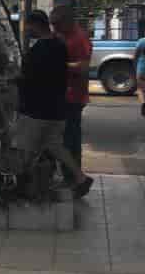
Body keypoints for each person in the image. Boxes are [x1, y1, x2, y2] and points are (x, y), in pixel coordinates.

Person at [15, 10, 94, 198]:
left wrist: (13, 79)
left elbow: (28, 79)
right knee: (56, 145)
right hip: (57, 108)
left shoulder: (40, 51)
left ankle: (22, 187)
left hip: (37, 110)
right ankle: (81, 178)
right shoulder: (60, 45)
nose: (26, 30)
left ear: (35, 25)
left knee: (26, 147)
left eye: (28, 25)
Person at [52, 5, 92, 168]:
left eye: (56, 23)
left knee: (71, 138)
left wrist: (60, 65)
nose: (54, 27)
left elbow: (83, 67)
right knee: (61, 137)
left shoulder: (79, 38)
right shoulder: (60, 35)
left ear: (67, 21)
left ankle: (72, 176)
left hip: (74, 96)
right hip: (62, 94)